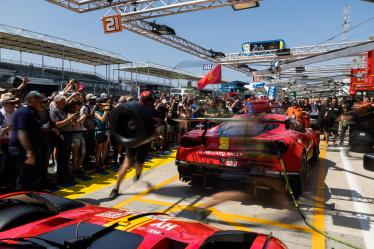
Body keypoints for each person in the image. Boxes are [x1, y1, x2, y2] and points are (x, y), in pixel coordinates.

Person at [109, 91, 160, 199]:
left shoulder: (152, 112)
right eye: (148, 100)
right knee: (126, 165)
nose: (149, 102)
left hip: (145, 142)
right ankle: (115, 188)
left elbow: (157, 124)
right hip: (132, 141)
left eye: (150, 100)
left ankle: (137, 174)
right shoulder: (133, 109)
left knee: (139, 164)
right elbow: (122, 120)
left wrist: (154, 128)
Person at [8, 91, 43, 190]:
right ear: (30, 99)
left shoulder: (32, 111)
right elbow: (22, 132)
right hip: (22, 151)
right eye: (37, 99)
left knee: (30, 177)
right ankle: (20, 200)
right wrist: (29, 152)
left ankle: (28, 197)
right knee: (23, 179)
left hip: (30, 150)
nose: (40, 101)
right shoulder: (24, 111)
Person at [50, 94, 78, 183]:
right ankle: (61, 177)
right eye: (63, 102)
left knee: (66, 157)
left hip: (68, 135)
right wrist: (69, 119)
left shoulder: (62, 110)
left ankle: (65, 175)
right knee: (62, 157)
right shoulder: (54, 111)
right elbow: (58, 124)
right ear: (57, 102)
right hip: (62, 136)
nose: (64, 103)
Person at [94, 96, 110, 171]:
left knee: (104, 149)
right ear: (99, 104)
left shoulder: (105, 111)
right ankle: (97, 164)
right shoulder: (96, 112)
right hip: (99, 132)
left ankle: (102, 163)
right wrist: (106, 111)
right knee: (99, 149)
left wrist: (107, 111)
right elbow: (102, 120)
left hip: (105, 131)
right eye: (102, 104)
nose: (104, 105)